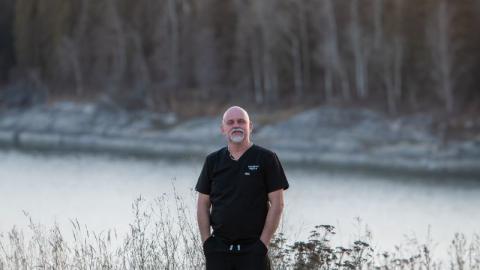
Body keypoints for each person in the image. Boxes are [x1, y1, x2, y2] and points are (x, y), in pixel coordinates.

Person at [196, 106, 289, 270]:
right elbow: (203, 204)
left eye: (241, 121)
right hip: (218, 250)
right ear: (223, 129)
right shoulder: (213, 161)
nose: (236, 125)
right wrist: (207, 242)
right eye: (230, 122)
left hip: (254, 251)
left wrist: (263, 244)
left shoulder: (267, 158)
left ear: (250, 126)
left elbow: (278, 204)